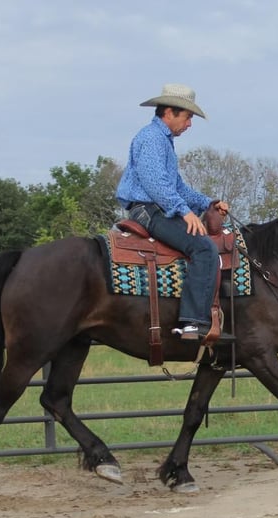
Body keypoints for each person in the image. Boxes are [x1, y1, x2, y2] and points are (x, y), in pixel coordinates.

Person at [116, 83, 232, 342]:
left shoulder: (163, 141)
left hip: (156, 207)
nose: (189, 124)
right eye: (188, 117)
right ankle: (193, 322)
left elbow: (177, 186)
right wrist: (183, 211)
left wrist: (208, 204)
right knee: (204, 249)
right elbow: (155, 183)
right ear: (169, 112)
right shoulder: (151, 138)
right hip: (149, 210)